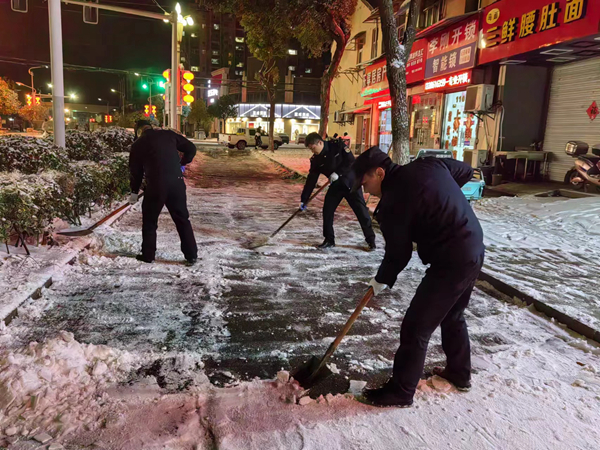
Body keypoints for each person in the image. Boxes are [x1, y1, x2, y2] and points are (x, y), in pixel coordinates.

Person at [352, 146, 485, 407]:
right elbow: (467, 171)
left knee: (416, 327)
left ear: (379, 173)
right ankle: (459, 374)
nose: (364, 189)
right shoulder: (429, 165)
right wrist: (440, 197)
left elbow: (398, 254)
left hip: (451, 261)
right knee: (453, 315)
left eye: (365, 181)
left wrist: (381, 280)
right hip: (474, 247)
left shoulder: (393, 204)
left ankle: (401, 393)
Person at [128, 120, 198, 265]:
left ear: (138, 131)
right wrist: (183, 162)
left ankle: (148, 255)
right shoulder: (168, 135)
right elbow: (191, 148)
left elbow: (136, 172)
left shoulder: (138, 144)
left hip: (155, 186)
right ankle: (191, 255)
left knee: (150, 221)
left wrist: (134, 192)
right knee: (182, 219)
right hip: (176, 183)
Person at [301, 132, 376, 250]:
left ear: (320, 142)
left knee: (361, 212)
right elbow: (311, 180)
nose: (312, 151)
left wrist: (338, 173)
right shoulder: (316, 159)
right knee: (327, 211)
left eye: (313, 148)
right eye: (310, 149)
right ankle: (329, 240)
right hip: (336, 186)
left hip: (351, 184)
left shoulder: (337, 146)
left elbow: (351, 161)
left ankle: (371, 240)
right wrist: (304, 199)